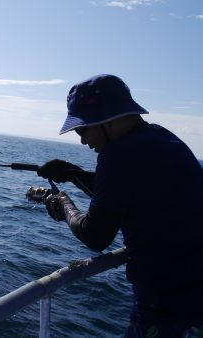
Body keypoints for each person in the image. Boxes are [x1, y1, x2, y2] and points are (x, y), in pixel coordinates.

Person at [34, 74, 203, 337]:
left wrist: (62, 203)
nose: (82, 140)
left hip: (170, 307)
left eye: (82, 129)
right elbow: (130, 192)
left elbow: (95, 235)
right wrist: (74, 173)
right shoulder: (161, 138)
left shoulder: (118, 155)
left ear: (108, 121)